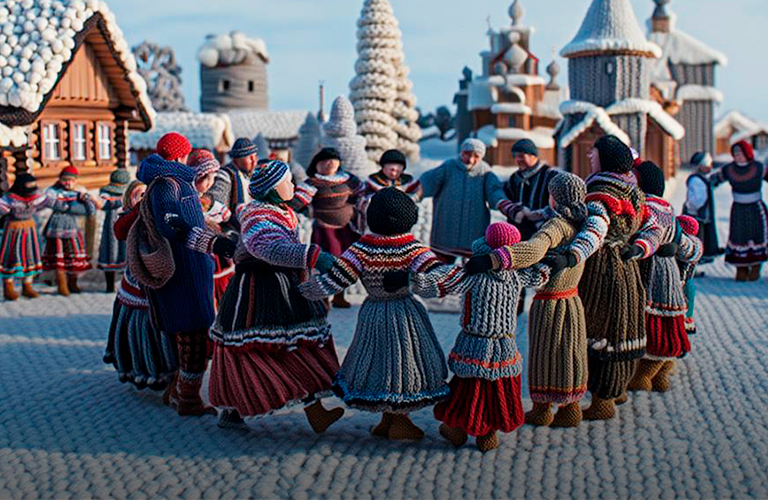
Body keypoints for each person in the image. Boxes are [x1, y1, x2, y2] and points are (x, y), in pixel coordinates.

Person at [300, 188, 452, 441]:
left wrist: (304, 291)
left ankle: (387, 419)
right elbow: (438, 276)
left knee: (379, 362)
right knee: (403, 362)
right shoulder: (411, 248)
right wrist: (413, 280)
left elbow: (336, 279)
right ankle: (399, 421)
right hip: (404, 313)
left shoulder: (361, 247)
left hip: (373, 312)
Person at [208, 160, 344, 433]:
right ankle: (235, 408)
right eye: (287, 181)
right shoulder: (258, 214)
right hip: (259, 288)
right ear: (272, 188)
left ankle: (315, 411)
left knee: (294, 345)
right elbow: (267, 247)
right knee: (257, 347)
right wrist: (313, 256)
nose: (292, 185)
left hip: (284, 284)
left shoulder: (279, 210)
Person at [466, 172, 591, 427]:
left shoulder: (555, 226)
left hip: (550, 300)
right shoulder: (583, 224)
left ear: (555, 199)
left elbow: (534, 250)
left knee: (546, 352)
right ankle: (571, 406)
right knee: (570, 352)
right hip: (573, 299)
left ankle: (543, 407)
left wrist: (496, 258)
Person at [411, 222, 549, 451]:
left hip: (476, 340)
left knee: (468, 388)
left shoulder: (473, 272)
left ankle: (458, 426)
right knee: (498, 389)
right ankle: (488, 432)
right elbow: (541, 275)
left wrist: (414, 280)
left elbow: (442, 281)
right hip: (503, 340)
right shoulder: (516, 274)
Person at [544, 135, 648, 421]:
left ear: (606, 157)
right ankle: (618, 389)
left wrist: (574, 253)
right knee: (621, 325)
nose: (590, 155)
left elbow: (595, 227)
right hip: (626, 264)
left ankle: (603, 399)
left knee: (600, 324)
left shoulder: (602, 190)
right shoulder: (632, 189)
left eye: (594, 152)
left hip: (601, 265)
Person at [133, 132, 236, 416]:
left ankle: (176, 391)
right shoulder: (168, 185)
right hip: (183, 271)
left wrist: (214, 234)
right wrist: (210, 242)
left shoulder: (176, 181)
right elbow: (173, 225)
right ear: (180, 155)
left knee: (191, 334)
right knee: (193, 335)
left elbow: (188, 221)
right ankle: (188, 400)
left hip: (192, 266)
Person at [627, 162, 703, 393]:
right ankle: (660, 371)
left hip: (649, 269)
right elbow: (687, 245)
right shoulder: (667, 208)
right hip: (668, 272)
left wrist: (638, 247)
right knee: (664, 322)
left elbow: (652, 236)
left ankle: (644, 374)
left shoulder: (647, 208)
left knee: (648, 321)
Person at [104, 180, 178, 394]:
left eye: (148, 194)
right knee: (137, 327)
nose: (144, 198)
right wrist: (140, 208)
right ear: (129, 198)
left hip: (158, 281)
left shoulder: (159, 216)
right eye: (139, 194)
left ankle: (170, 372)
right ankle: (141, 367)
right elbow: (120, 231)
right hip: (135, 284)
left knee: (159, 329)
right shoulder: (126, 216)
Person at [290, 147, 364, 308]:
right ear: (316, 165)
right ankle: (323, 297)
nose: (329, 164)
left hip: (346, 229)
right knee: (326, 262)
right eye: (324, 161)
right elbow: (299, 200)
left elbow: (362, 193)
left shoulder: (348, 180)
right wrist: (296, 208)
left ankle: (339, 295)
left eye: (333, 160)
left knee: (345, 262)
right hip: (324, 229)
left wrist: (356, 208)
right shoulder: (313, 182)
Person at [417, 138, 506, 262]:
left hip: (473, 230)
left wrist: (502, 202)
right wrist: (418, 190)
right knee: (440, 267)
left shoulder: (486, 173)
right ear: (461, 153)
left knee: (472, 269)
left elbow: (494, 191)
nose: (470, 159)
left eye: (476, 156)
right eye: (467, 154)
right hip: (446, 230)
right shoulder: (449, 167)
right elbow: (429, 180)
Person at [0, 173, 64, 300]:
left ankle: (27, 286)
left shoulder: (35, 197)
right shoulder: (10, 199)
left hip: (29, 231)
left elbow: (49, 201)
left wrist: (64, 203)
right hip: (13, 231)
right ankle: (8, 287)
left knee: (30, 257)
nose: (30, 193)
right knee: (12, 258)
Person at [712, 141, 768, 281]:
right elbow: (713, 180)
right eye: (735, 154)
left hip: (756, 208)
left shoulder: (758, 167)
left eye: (741, 153)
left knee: (757, 236)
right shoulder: (729, 169)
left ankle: (755, 267)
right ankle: (741, 269)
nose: (738, 156)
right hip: (738, 209)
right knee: (739, 237)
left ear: (747, 153)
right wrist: (700, 183)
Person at [188, 149, 234, 307]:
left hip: (216, 252)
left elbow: (225, 214)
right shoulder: (188, 201)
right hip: (200, 252)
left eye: (213, 177)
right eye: (205, 178)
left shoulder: (207, 200)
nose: (210, 182)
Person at [42, 166, 98, 296]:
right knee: (59, 256)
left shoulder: (79, 193)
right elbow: (51, 202)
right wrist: (69, 205)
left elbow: (88, 210)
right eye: (65, 180)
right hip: (56, 228)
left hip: (72, 228)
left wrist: (74, 205)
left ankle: (73, 282)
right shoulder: (53, 191)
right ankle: (62, 284)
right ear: (60, 179)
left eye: (71, 180)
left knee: (73, 255)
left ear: (76, 181)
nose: (68, 183)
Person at [498, 139, 559, 240]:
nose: (518, 160)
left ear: (533, 155)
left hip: (542, 234)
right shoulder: (514, 178)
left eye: (521, 156)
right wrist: (515, 211)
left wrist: (538, 214)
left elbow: (560, 205)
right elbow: (507, 199)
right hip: (517, 234)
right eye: (516, 156)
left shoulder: (550, 176)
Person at [358, 149, 420, 233]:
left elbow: (416, 198)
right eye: (391, 169)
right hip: (377, 225)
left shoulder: (408, 182)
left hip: (403, 226)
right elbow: (362, 203)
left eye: (398, 171)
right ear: (383, 167)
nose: (394, 174)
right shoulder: (372, 182)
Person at [208, 137, 260, 233]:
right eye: (249, 157)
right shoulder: (225, 175)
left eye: (255, 155)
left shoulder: (254, 175)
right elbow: (216, 203)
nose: (254, 160)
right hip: (232, 230)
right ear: (237, 160)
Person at [97, 169, 131, 293]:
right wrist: (120, 201)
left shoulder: (129, 192)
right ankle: (109, 285)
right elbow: (103, 204)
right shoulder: (105, 192)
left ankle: (125, 283)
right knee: (109, 251)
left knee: (125, 251)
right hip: (110, 226)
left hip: (126, 225)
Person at [683, 152, 720, 265]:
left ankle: (698, 258)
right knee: (697, 239)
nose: (711, 167)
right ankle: (694, 261)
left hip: (700, 215)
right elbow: (697, 200)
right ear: (701, 166)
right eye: (708, 164)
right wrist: (694, 208)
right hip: (697, 215)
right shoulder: (697, 181)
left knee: (702, 237)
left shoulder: (701, 179)